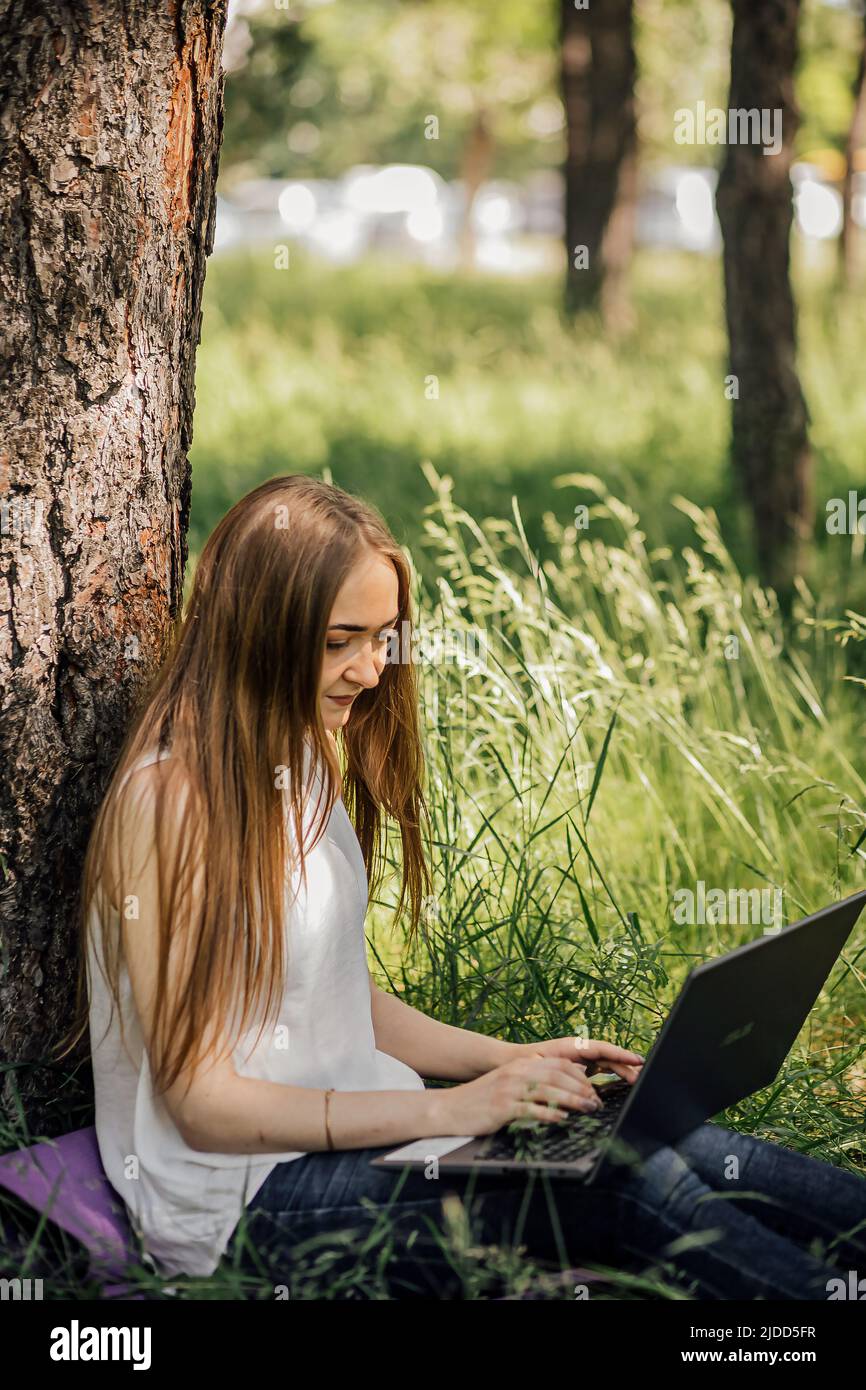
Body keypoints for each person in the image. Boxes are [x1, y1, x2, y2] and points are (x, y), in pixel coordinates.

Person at [63, 475, 866, 1298]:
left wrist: (511, 1062)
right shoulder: (171, 806)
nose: (372, 670)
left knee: (653, 1137)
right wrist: (452, 1111)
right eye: (342, 640)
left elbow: (337, 998)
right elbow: (202, 1103)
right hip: (248, 1200)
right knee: (625, 1186)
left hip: (367, 1139)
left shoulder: (297, 754)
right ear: (261, 631)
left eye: (381, 638)